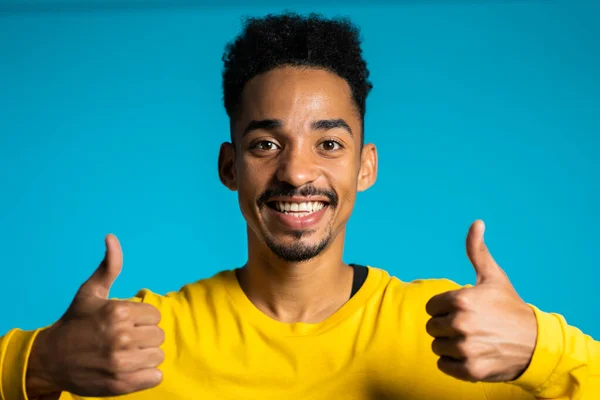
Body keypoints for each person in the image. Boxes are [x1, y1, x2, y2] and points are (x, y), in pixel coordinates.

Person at [1, 12, 598, 400]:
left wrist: (541, 349)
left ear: (366, 166)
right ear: (230, 167)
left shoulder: (462, 333)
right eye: (266, 144)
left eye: (329, 144)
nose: (297, 172)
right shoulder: (132, 345)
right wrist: (40, 361)